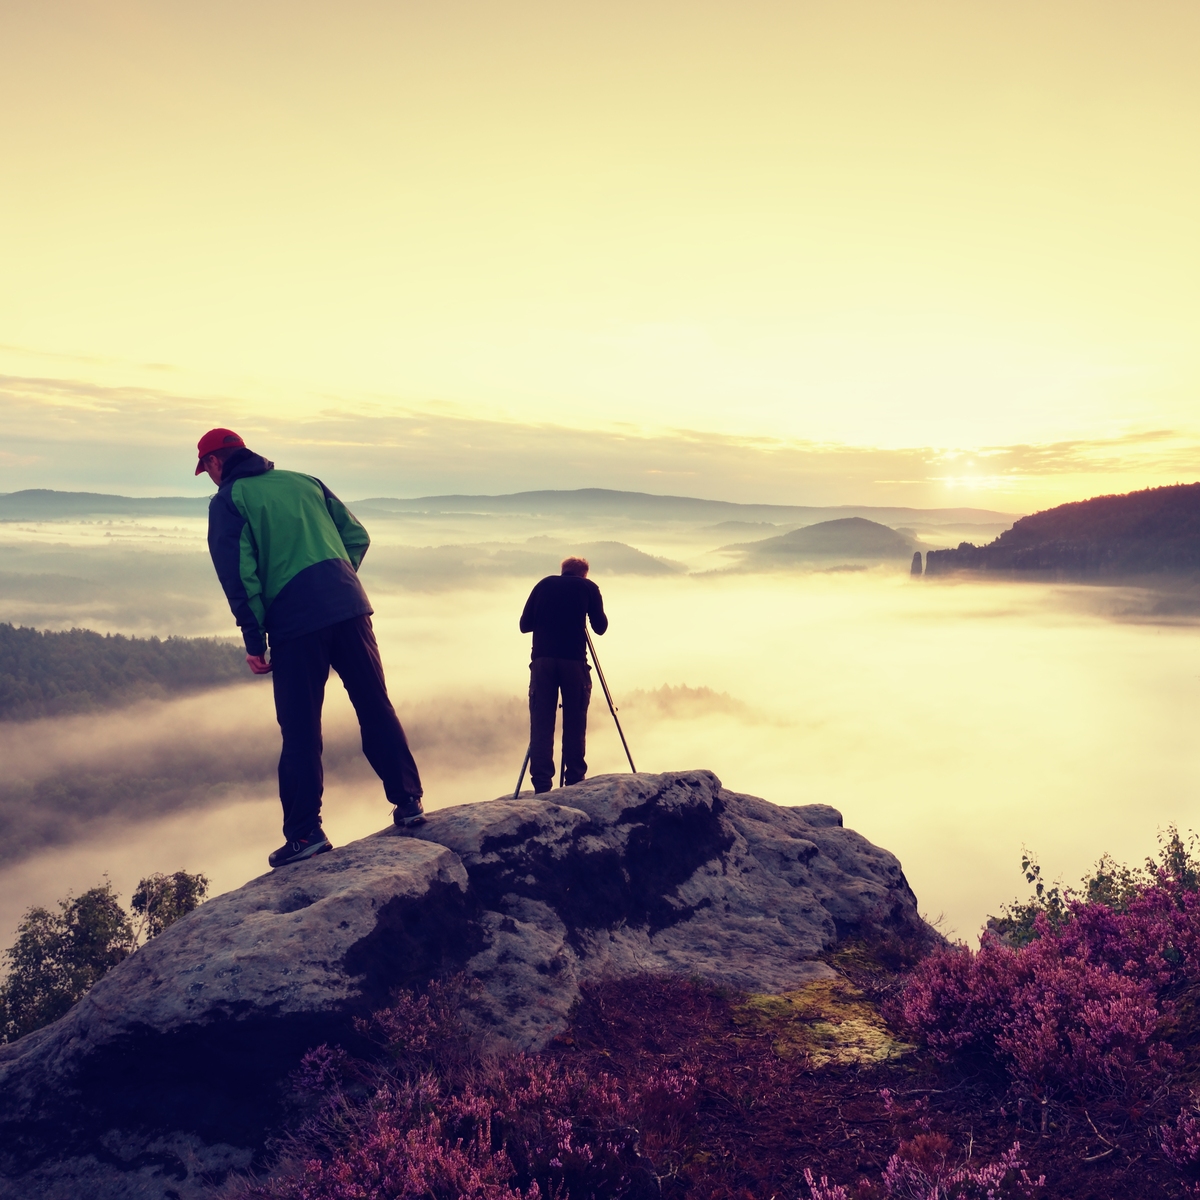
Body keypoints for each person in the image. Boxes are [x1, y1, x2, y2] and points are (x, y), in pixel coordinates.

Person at [196, 427, 424, 868]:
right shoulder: (306, 481)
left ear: (216, 462)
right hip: (349, 606)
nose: (208, 475)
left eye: (205, 467)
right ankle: (409, 802)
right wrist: (336, 581)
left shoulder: (228, 501)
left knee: (300, 729)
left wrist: (254, 639)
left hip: (296, 622)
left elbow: (238, 575)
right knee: (375, 706)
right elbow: (356, 537)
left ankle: (305, 834)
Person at [519, 556, 608, 793]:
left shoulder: (543, 585)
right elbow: (600, 627)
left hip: (542, 661)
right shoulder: (588, 587)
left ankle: (541, 784)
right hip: (573, 662)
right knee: (575, 720)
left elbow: (524, 625)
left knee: (541, 723)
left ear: (562, 571)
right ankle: (575, 780)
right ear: (584, 574)